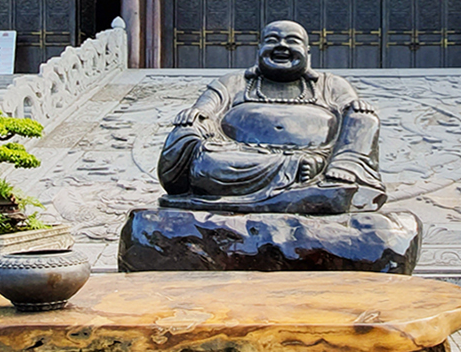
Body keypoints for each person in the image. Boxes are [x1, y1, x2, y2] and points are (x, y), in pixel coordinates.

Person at [157, 20, 385, 213]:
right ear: (259, 49)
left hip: (319, 156)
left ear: (307, 52)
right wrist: (196, 116)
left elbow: (352, 111)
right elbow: (204, 110)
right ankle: (302, 179)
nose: (282, 46)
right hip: (241, 158)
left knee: (364, 118)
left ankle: (341, 174)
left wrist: (357, 108)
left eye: (292, 40)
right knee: (206, 160)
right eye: (272, 40)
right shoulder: (233, 82)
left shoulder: (332, 84)